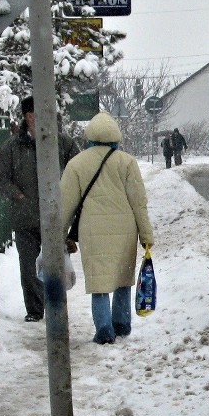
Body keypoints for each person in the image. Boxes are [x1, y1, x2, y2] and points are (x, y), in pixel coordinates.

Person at [60, 111, 154, 344]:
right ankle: (121, 324)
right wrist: (146, 234)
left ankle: (103, 328)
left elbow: (65, 204)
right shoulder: (127, 162)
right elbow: (138, 202)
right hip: (125, 229)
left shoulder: (76, 164)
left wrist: (58, 234)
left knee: (98, 281)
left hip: (92, 231)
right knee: (123, 277)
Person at [0, 95, 81, 322]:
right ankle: (35, 309)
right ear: (25, 117)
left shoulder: (62, 142)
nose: (35, 120)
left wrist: (67, 193)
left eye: (39, 115)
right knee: (28, 266)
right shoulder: (13, 146)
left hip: (55, 217)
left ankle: (56, 304)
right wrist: (18, 195)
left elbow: (78, 168)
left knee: (55, 263)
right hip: (26, 217)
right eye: (30, 116)